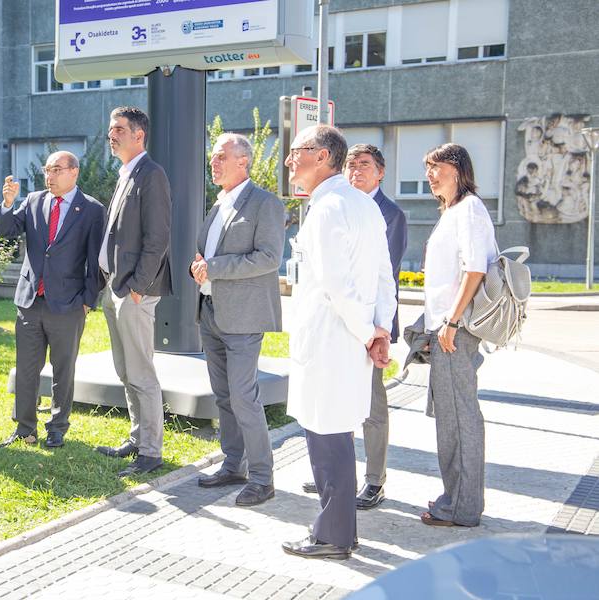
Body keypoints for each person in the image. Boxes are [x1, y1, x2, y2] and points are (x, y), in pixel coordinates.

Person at [281, 126, 395, 560]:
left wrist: (371, 333)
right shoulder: (363, 205)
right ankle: (342, 529)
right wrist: (379, 329)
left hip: (331, 339)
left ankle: (332, 536)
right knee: (338, 437)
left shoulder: (328, 207)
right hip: (350, 340)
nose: (290, 160)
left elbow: (336, 285)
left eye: (297, 152)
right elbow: (386, 278)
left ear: (323, 156)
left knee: (327, 440)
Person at [302, 144, 408, 509]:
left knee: (371, 406)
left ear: (380, 173)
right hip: (343, 327)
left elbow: (383, 275)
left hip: (370, 326)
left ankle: (374, 480)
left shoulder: (388, 213)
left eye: (364, 166)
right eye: (350, 164)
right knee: (337, 405)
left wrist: (376, 330)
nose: (356, 171)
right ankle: (333, 474)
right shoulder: (336, 204)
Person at [190, 133, 285, 507]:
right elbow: (207, 252)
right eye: (213, 158)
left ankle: (263, 478)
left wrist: (212, 267)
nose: (213, 163)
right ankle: (234, 465)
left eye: (220, 157)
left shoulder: (265, 204)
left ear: (243, 161)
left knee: (245, 397)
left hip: (244, 318)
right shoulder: (218, 206)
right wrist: (198, 267)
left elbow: (268, 258)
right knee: (225, 397)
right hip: (212, 312)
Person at [0, 152, 105, 449]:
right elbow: (4, 232)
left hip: (68, 304)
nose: (50, 176)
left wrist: (87, 300)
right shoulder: (33, 201)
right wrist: (7, 204)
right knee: (26, 368)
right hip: (31, 300)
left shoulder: (92, 210)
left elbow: (96, 262)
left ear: (74, 172)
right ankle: (25, 429)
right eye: (47, 169)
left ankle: (57, 427)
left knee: (63, 370)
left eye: (56, 169)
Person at [419, 143, 497, 528]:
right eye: (428, 169)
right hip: (446, 329)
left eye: (438, 167)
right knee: (449, 418)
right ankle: (456, 498)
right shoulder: (451, 211)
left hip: (457, 331)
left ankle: (462, 507)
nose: (431, 175)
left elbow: (475, 268)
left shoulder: (469, 209)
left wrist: (450, 321)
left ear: (459, 169)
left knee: (459, 418)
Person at [95, 106, 172, 478]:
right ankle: (138, 437)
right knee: (125, 369)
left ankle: (152, 452)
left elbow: (157, 239)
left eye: (119, 129)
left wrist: (138, 288)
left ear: (139, 134)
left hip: (134, 290)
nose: (112, 135)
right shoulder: (126, 173)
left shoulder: (151, 175)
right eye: (111, 129)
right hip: (116, 287)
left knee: (141, 372)